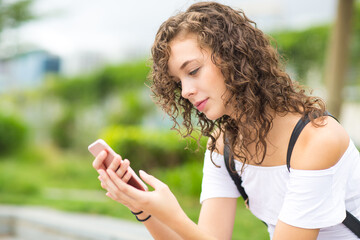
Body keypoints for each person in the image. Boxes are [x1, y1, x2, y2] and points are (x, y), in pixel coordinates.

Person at [92, 2, 360, 239]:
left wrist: (174, 215)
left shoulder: (317, 140)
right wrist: (142, 207)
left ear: (235, 57)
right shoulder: (224, 146)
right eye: (178, 82)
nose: (185, 91)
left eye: (193, 71)